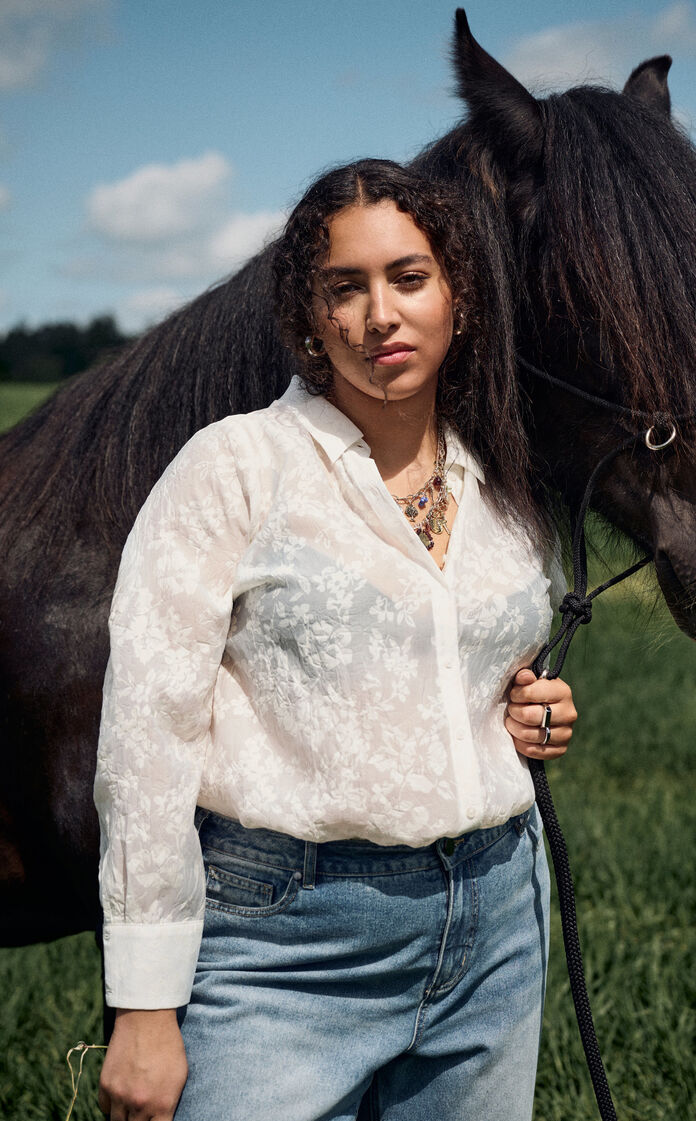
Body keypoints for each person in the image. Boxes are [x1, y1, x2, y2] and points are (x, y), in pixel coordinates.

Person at [94, 158, 577, 1121]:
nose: (379, 315)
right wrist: (144, 1002)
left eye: (409, 277)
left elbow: (491, 666)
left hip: (497, 922)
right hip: (285, 945)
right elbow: (147, 736)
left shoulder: (506, 480)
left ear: (458, 294)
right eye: (344, 288)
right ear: (310, 316)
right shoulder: (234, 467)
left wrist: (532, 711)